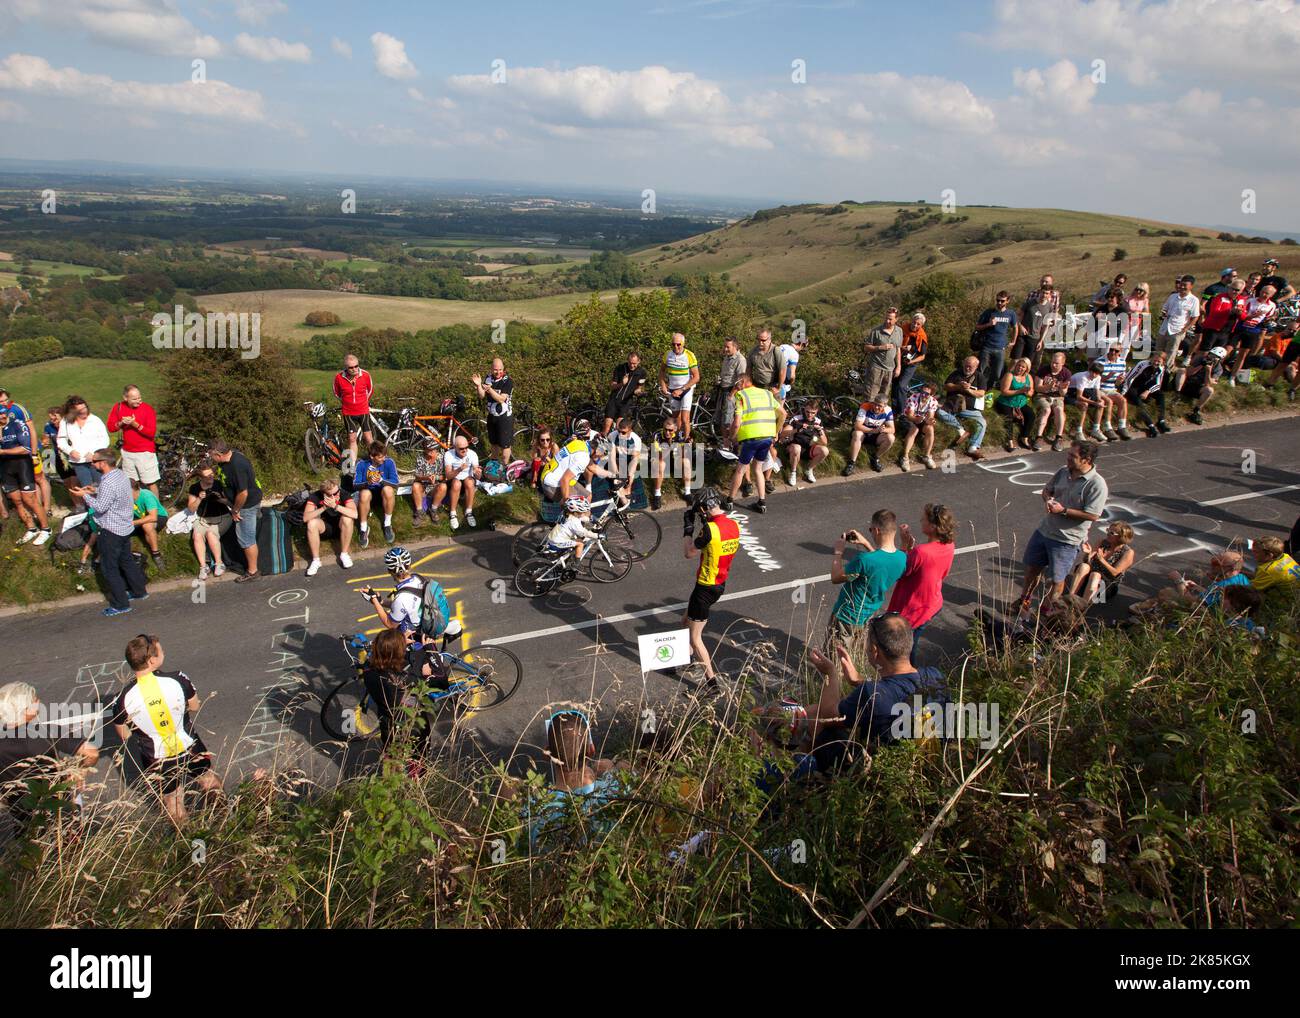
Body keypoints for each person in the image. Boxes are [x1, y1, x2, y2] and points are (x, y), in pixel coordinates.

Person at [108, 634, 222, 824]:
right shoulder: (177, 678)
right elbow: (194, 706)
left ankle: (186, 843)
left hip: (155, 757)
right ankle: (223, 821)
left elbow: (123, 734)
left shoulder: (122, 698)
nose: (164, 653)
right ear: (152, 660)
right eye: (161, 651)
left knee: (173, 801)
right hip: (189, 745)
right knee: (209, 781)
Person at [803, 615, 948, 763]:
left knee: (812, 716)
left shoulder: (871, 694)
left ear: (874, 650)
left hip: (880, 770)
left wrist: (831, 673)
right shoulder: (935, 676)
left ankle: (809, 773)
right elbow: (896, 692)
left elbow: (826, 715)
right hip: (926, 763)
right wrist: (858, 681)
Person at [1017, 440, 1108, 620]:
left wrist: (1064, 511)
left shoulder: (1096, 485)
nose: (1068, 458)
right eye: (1068, 454)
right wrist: (1048, 500)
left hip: (1066, 540)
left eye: (1073, 456)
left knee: (1056, 580)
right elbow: (1047, 490)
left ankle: (1047, 613)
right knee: (1032, 570)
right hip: (1045, 531)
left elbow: (1093, 515)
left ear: (1086, 459)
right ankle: (1024, 602)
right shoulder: (1063, 471)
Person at [0, 681, 99, 835]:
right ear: (24, 709)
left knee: (34, 853)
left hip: (22, 815)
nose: (38, 702)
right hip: (59, 807)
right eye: (34, 700)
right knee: (70, 849)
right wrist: (79, 771)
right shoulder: (47, 732)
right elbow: (91, 753)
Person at [528, 707, 628, 851]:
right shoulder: (618, 792)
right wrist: (613, 766)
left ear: (547, 754)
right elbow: (627, 769)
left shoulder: (534, 811)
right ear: (591, 750)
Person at [66, 449, 148, 616]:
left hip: (111, 530)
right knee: (126, 561)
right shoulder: (120, 475)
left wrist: (85, 496)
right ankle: (139, 591)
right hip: (125, 527)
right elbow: (115, 494)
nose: (92, 463)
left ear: (103, 463)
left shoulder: (108, 483)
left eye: (94, 461)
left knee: (110, 568)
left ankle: (120, 604)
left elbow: (101, 507)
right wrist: (95, 491)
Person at [681, 487, 740, 684]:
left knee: (696, 637)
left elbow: (689, 553)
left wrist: (688, 531)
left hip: (704, 588)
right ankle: (686, 657)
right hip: (720, 583)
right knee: (684, 622)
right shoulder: (734, 525)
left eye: (700, 511)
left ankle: (711, 682)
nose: (700, 514)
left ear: (706, 507)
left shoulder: (709, 530)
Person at [827, 511, 907, 652]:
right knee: (856, 653)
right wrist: (866, 543)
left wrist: (838, 552)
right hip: (868, 615)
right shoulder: (902, 559)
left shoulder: (863, 560)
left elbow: (835, 577)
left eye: (871, 529)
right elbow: (880, 562)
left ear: (877, 530)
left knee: (836, 657)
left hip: (847, 615)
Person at [888, 503, 957, 665]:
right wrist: (912, 550)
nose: (921, 520)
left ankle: (909, 680)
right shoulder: (949, 545)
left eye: (924, 519)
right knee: (912, 642)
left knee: (905, 651)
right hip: (932, 603)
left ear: (933, 526)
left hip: (914, 609)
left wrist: (904, 546)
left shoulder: (922, 552)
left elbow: (899, 572)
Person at [361, 627, 438, 760]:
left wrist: (396, 642)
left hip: (386, 720)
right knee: (419, 755)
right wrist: (428, 651)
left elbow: (388, 654)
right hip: (409, 721)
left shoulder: (369, 668)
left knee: (392, 758)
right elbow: (425, 675)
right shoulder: (401, 680)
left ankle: (392, 776)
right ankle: (419, 775)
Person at [362, 547, 452, 639]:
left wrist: (374, 600)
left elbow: (390, 624)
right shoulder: (417, 577)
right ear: (409, 566)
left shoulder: (401, 598)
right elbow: (407, 606)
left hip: (415, 639)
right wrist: (381, 602)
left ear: (389, 571)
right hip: (429, 622)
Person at [725, 374, 784, 513]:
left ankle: (729, 501)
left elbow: (737, 422)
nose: (736, 386)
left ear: (744, 381)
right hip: (767, 437)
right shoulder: (767, 394)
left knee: (741, 469)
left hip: (751, 438)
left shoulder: (741, 396)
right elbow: (783, 413)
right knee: (758, 468)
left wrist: (731, 437)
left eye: (737, 383)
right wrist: (775, 432)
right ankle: (762, 502)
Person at [1130, 550, 1248, 615]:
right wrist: (1197, 587)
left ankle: (1151, 611)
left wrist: (1178, 580)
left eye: (1217, 564)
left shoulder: (1221, 587)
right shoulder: (1242, 578)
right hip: (1222, 612)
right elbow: (1210, 597)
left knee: (1166, 592)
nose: (1212, 566)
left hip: (1208, 615)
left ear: (1230, 569)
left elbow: (1189, 601)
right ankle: (1153, 605)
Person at [208, 439, 262, 581]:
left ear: (218, 454)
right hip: (240, 502)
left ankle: (252, 571)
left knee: (246, 539)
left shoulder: (237, 465)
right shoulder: (228, 460)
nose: (210, 458)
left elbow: (243, 493)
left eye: (211, 455)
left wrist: (236, 510)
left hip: (246, 505)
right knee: (246, 536)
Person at [0, 404, 51, 546]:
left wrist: (4, 452)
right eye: (0, 414)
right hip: (5, 468)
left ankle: (46, 529)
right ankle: (31, 528)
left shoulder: (18, 424)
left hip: (22, 465)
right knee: (16, 500)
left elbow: (25, 448)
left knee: (30, 500)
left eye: (4, 413)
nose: (3, 416)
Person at [0, 388, 50, 516]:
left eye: (6, 400)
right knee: (30, 482)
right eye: (1, 401)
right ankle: (36, 511)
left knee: (39, 478)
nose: (4, 403)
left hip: (29, 449)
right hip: (13, 453)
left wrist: (33, 454)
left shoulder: (17, 408)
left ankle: (47, 508)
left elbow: (32, 431)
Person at [105, 384, 160, 497]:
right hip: (128, 452)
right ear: (126, 398)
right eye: (134, 399)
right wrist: (121, 423)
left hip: (144, 452)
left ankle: (157, 510)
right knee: (132, 484)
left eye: (139, 397)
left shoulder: (148, 409)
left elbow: (151, 433)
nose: (138, 401)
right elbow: (111, 427)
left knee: (150, 482)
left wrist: (135, 424)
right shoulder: (119, 407)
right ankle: (136, 508)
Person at [1066, 521, 1135, 605]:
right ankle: (1070, 597)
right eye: (1108, 530)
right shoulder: (1102, 542)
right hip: (1089, 579)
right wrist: (1088, 554)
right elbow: (1087, 562)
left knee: (1095, 574)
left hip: (1105, 585)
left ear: (1121, 537)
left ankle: (1082, 605)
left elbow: (1115, 573)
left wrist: (1102, 560)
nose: (1108, 534)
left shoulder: (1127, 552)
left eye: (1112, 533)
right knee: (1084, 566)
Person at [56, 396, 109, 501]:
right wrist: (70, 451)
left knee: (101, 486)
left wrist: (94, 453)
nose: (84, 411)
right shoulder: (65, 422)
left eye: (85, 408)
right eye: (80, 410)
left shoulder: (95, 420)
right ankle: (91, 512)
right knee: (86, 488)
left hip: (96, 461)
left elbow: (105, 439)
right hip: (79, 462)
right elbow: (60, 440)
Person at [186, 460, 231, 580]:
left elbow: (229, 502)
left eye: (212, 474)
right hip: (203, 518)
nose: (211, 477)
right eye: (207, 476)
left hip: (222, 517)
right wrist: (199, 499)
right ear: (201, 477)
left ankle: (219, 563)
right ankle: (203, 566)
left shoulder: (218, 484)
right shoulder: (195, 488)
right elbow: (191, 508)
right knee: (197, 536)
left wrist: (220, 499)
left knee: (211, 534)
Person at [303, 476, 357, 576]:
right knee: (311, 523)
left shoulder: (343, 493)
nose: (337, 495)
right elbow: (305, 518)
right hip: (325, 527)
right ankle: (316, 560)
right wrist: (324, 507)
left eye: (337, 492)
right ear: (324, 493)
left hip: (342, 528)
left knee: (348, 519)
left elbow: (355, 514)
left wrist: (336, 506)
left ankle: (344, 554)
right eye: (332, 494)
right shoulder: (315, 496)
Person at [938, 355, 987, 460]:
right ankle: (961, 430)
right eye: (966, 365)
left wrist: (968, 390)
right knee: (940, 413)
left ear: (976, 367)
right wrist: (958, 386)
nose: (967, 368)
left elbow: (981, 393)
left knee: (982, 423)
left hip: (970, 409)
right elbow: (946, 386)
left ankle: (973, 447)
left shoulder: (980, 377)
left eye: (970, 367)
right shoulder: (956, 373)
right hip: (952, 404)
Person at [1227, 283, 1278, 385]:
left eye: (1266, 293)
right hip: (1241, 328)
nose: (1263, 294)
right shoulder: (1250, 300)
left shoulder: (1272, 305)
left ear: (1271, 295)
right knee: (1228, 349)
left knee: (1243, 354)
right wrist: (1252, 315)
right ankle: (1218, 369)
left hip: (1254, 330)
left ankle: (1232, 377)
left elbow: (1267, 319)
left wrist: (1270, 319)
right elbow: (1242, 314)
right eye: (1262, 292)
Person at [351, 440, 399, 547]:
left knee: (388, 489)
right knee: (364, 493)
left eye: (384, 455)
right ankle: (363, 529)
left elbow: (396, 483)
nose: (384, 458)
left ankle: (387, 524)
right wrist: (367, 483)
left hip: (383, 495)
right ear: (372, 456)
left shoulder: (389, 462)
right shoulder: (361, 464)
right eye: (381, 457)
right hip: (367, 496)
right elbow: (355, 485)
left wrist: (381, 480)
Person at [332, 354, 374, 470]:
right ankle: (353, 466)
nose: (355, 369)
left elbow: (370, 390)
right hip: (348, 412)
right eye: (351, 367)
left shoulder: (365, 375)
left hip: (363, 410)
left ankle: (374, 461)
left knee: (368, 438)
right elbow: (336, 393)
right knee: (352, 438)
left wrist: (362, 402)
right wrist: (347, 402)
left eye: (356, 366)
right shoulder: (339, 377)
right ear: (346, 367)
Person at [432, 434, 481, 531]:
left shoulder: (472, 454)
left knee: (470, 482)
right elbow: (448, 475)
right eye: (462, 448)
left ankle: (469, 511)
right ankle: (453, 513)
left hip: (468, 481)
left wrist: (477, 473)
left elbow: (477, 476)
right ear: (455, 448)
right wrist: (459, 469)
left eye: (467, 447)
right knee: (456, 483)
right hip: (454, 480)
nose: (465, 450)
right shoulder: (449, 454)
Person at [541, 419, 597, 503]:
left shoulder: (578, 441)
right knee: (582, 505)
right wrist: (566, 502)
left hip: (551, 474)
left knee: (587, 496)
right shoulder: (582, 454)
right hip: (555, 481)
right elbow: (565, 479)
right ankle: (570, 512)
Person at [973, 291, 1018, 390]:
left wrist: (1013, 341)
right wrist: (988, 324)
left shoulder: (1011, 313)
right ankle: (978, 388)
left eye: (1002, 301)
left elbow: (1015, 327)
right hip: (986, 346)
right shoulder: (989, 312)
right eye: (997, 300)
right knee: (981, 370)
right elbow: (977, 327)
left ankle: (988, 390)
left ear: (1007, 301)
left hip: (1000, 347)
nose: (999, 303)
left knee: (997, 373)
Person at [1120, 351, 1170, 437]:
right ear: (1151, 358)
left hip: (1145, 388)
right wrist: (1123, 392)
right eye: (1154, 360)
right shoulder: (1143, 364)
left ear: (1163, 362)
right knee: (1139, 403)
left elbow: (1158, 384)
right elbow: (1130, 378)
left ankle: (1161, 421)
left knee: (1160, 395)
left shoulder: (1161, 368)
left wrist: (1148, 391)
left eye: (1159, 361)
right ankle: (1151, 425)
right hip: (1132, 386)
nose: (1156, 363)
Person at [1174, 345, 1228, 426]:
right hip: (1186, 383)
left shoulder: (1218, 369)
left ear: (1220, 359)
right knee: (1181, 371)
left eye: (1215, 357)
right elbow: (1188, 373)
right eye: (1211, 355)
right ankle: (1177, 395)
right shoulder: (1200, 358)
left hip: (1197, 388)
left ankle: (1196, 411)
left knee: (1209, 390)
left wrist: (1208, 371)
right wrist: (1200, 366)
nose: (1211, 358)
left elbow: (1208, 383)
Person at [780, 396, 829, 485]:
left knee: (825, 451)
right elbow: (783, 434)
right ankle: (793, 472)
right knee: (797, 448)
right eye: (807, 412)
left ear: (816, 411)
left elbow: (825, 443)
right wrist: (797, 430)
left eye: (813, 413)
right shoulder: (797, 419)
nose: (809, 415)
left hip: (808, 448)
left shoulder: (818, 421)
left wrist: (820, 431)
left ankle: (809, 470)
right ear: (804, 409)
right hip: (794, 447)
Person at [660, 332, 700, 440]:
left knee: (685, 418)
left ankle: (687, 442)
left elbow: (696, 377)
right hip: (673, 390)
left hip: (686, 389)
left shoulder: (689, 355)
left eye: (678, 344)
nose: (676, 347)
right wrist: (663, 385)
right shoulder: (667, 354)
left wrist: (682, 389)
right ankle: (677, 440)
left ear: (683, 344)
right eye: (673, 344)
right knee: (676, 418)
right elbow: (662, 371)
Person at [472, 358, 514, 462]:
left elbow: (501, 399)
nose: (498, 372)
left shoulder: (508, 381)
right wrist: (478, 386)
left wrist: (490, 390)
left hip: (504, 417)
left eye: (500, 369)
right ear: (491, 369)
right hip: (492, 416)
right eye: (495, 369)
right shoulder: (488, 378)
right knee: (494, 444)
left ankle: (505, 467)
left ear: (503, 369)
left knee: (505, 445)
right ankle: (494, 468)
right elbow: (482, 396)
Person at [861, 308, 904, 405]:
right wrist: (880, 347)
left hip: (890, 370)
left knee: (883, 397)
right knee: (870, 396)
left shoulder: (899, 331)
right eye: (886, 318)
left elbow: (898, 349)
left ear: (896, 319)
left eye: (890, 319)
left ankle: (878, 418)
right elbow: (866, 347)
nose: (887, 321)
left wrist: (898, 366)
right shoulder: (876, 331)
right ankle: (864, 417)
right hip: (876, 368)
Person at [841, 399, 895, 476]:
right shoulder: (865, 406)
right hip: (863, 432)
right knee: (857, 434)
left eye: (879, 406)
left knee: (891, 438)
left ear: (885, 405)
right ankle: (851, 463)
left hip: (876, 435)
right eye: (875, 404)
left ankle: (875, 458)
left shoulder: (888, 410)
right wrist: (873, 430)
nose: (876, 407)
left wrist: (882, 429)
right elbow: (857, 426)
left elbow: (892, 429)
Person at [897, 379, 940, 471]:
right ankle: (905, 456)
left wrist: (931, 421)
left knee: (930, 429)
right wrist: (917, 419)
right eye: (922, 392)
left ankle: (927, 455)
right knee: (914, 429)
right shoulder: (913, 398)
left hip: (921, 420)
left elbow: (930, 416)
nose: (923, 395)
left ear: (932, 395)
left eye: (926, 394)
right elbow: (910, 416)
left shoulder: (933, 402)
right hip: (908, 419)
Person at [649, 416, 691, 510]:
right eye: (665, 429)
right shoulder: (657, 435)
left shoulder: (680, 434)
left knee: (687, 462)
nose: (667, 432)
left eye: (670, 430)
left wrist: (686, 446)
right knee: (661, 464)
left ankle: (687, 492)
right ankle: (657, 494)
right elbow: (659, 456)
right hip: (660, 460)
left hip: (674, 460)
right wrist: (670, 444)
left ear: (675, 429)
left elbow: (684, 454)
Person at [1032, 351, 1072, 451]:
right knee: (1047, 410)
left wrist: (1061, 388)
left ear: (1063, 363)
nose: (1053, 365)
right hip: (1042, 395)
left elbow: (1063, 394)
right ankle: (1039, 437)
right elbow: (1037, 388)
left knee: (1059, 410)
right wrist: (1049, 386)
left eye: (1056, 363)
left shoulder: (1066, 373)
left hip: (1057, 397)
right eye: (1052, 362)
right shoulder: (1043, 370)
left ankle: (1059, 437)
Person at [601, 351, 647, 436]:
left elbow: (639, 387)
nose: (632, 365)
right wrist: (622, 384)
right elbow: (612, 386)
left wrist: (638, 391)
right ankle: (601, 443)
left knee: (620, 428)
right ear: (627, 360)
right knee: (607, 427)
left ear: (638, 361)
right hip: (614, 400)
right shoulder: (620, 368)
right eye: (630, 363)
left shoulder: (642, 372)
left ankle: (617, 447)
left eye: (634, 363)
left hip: (626, 402)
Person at [994, 357, 1035, 452]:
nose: (1020, 368)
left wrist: (1027, 392)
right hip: (1006, 402)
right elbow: (1004, 392)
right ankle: (1009, 442)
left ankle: (1024, 438)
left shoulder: (1028, 377)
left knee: (1031, 415)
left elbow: (1031, 392)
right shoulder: (1009, 375)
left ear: (1027, 369)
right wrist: (1020, 391)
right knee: (1008, 418)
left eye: (1023, 367)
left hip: (1021, 403)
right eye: (1018, 365)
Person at [545, 495, 601, 562]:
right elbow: (583, 533)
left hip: (552, 538)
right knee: (580, 543)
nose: (583, 514)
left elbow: (580, 518)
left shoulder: (565, 513)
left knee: (574, 539)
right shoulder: (574, 521)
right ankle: (575, 565)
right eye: (581, 512)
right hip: (558, 542)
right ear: (575, 512)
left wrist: (590, 519)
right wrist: (597, 535)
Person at [1158, 275, 1201, 362]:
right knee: (1158, 350)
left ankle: (1167, 371)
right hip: (1165, 327)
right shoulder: (1173, 296)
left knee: (1171, 352)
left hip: (1177, 330)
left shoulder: (1194, 300)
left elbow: (1195, 316)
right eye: (1181, 284)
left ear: (1191, 286)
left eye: (1185, 285)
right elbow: (1165, 309)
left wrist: (1185, 329)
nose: (1182, 287)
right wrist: (1164, 314)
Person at [1095, 345, 1132, 441]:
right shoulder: (1100, 362)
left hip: (1111, 389)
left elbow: (1117, 383)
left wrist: (1119, 380)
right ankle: (1107, 427)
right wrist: (1108, 376)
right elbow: (1094, 380)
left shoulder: (1122, 363)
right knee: (1109, 402)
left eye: (1116, 351)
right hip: (1099, 389)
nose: (1113, 352)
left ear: (1120, 352)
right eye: (1111, 350)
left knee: (1123, 400)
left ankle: (1121, 426)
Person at [129, 478, 168, 570]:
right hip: (140, 517)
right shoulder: (127, 498)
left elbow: (153, 517)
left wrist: (133, 523)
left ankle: (156, 554)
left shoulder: (146, 495)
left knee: (147, 525)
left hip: (159, 516)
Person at [715, 338, 747, 445]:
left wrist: (732, 394)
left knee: (729, 421)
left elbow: (741, 380)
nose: (725, 349)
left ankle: (732, 446)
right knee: (722, 419)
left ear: (735, 347)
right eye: (725, 346)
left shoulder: (740, 360)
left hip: (732, 392)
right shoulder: (727, 358)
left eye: (727, 347)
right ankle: (725, 444)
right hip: (723, 391)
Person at [1067, 361, 1106, 442]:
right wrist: (1094, 403)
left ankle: (1096, 429)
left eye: (1097, 373)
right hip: (1070, 393)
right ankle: (1079, 431)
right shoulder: (1082, 377)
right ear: (1090, 370)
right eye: (1093, 372)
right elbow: (1079, 396)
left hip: (1085, 391)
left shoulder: (1098, 377)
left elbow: (1097, 390)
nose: (1094, 375)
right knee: (1084, 404)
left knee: (1101, 403)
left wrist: (1099, 400)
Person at [609, 416, 643, 505]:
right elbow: (610, 456)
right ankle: (623, 498)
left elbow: (635, 456)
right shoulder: (612, 435)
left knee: (633, 462)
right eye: (619, 431)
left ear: (630, 431)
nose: (620, 434)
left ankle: (628, 489)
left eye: (623, 433)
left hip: (629, 459)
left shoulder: (636, 439)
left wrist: (630, 475)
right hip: (616, 459)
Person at [410, 440, 442, 526]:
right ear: (425, 449)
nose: (432, 452)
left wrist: (436, 477)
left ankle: (433, 510)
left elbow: (444, 476)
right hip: (423, 486)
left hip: (435, 486)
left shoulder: (440, 458)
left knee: (443, 486)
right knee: (415, 485)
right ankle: (420, 512)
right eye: (429, 449)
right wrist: (426, 478)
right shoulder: (420, 459)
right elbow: (416, 476)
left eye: (434, 449)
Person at [775, 333, 807, 400]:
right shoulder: (794, 354)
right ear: (801, 344)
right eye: (804, 346)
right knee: (779, 408)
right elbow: (792, 375)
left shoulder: (782, 346)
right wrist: (791, 382)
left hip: (768, 378)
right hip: (779, 382)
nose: (802, 348)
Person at [747, 328, 779, 392]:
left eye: (763, 340)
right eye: (758, 340)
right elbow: (748, 368)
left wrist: (779, 388)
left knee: (775, 402)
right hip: (757, 386)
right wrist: (750, 383)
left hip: (772, 387)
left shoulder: (776, 350)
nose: (760, 342)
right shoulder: (753, 351)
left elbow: (783, 370)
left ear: (769, 340)